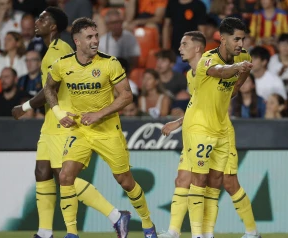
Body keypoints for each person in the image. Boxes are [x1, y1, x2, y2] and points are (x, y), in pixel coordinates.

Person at [10, 7, 132, 238]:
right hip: (50, 121)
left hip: (64, 120)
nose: (37, 21)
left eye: (43, 18)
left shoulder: (61, 50)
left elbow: (50, 90)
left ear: (54, 26)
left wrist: (24, 107)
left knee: (63, 176)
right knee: (41, 172)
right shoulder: (49, 51)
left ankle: (116, 215)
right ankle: (45, 232)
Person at [42, 17, 157, 238]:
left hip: (107, 129)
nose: (95, 41)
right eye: (90, 37)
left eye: (96, 36)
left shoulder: (109, 63)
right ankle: (71, 233)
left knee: (125, 180)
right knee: (65, 176)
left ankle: (147, 223)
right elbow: (49, 88)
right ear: (77, 40)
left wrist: (99, 114)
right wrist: (58, 113)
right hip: (80, 130)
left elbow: (127, 95)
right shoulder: (63, 64)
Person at [159, 31, 260, 238]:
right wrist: (178, 122)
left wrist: (239, 78)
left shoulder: (210, 64)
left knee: (226, 183)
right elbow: (196, 103)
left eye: (184, 44)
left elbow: (226, 69)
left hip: (221, 132)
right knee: (183, 179)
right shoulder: (190, 75)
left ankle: (251, 232)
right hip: (197, 131)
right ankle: (175, 232)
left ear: (197, 48)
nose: (179, 48)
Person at [181, 18, 253, 238]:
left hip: (221, 128)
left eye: (242, 38)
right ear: (222, 39)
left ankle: (208, 234)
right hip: (198, 126)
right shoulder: (207, 59)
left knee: (214, 184)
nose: (240, 43)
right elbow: (220, 71)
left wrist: (238, 84)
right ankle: (196, 234)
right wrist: (237, 69)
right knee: (199, 180)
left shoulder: (244, 57)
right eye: (236, 39)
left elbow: (242, 75)